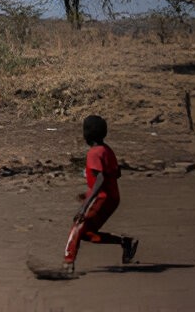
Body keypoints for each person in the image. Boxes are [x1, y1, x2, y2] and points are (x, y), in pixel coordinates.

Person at [62, 114, 138, 274]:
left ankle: (67, 265)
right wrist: (89, 193)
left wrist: (86, 205)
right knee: (87, 233)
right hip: (111, 197)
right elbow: (116, 173)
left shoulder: (94, 153)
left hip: (102, 197)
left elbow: (101, 177)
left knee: (77, 227)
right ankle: (125, 242)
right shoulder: (107, 150)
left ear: (86, 135)